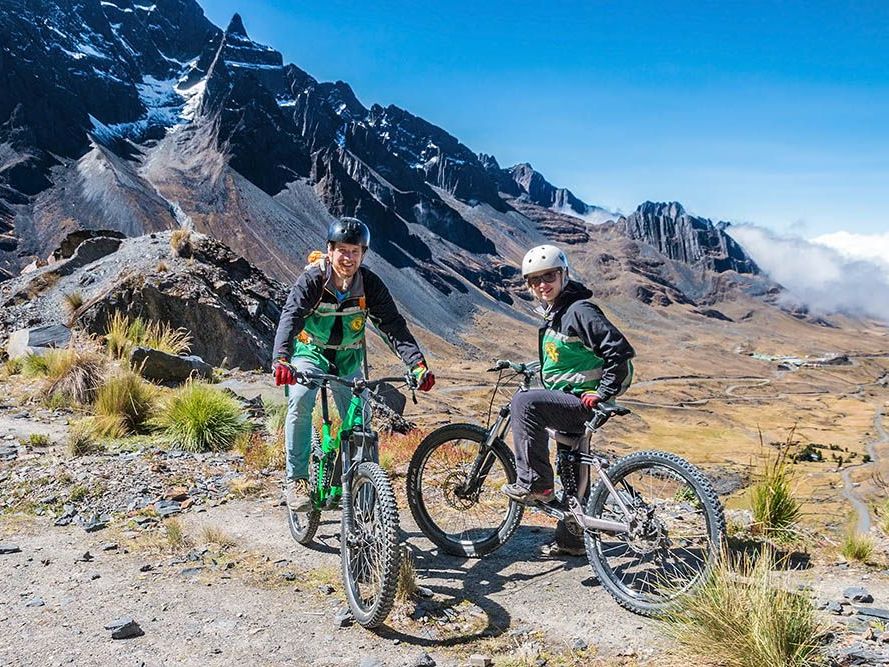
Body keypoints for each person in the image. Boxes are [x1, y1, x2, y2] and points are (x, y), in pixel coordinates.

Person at [272, 217, 435, 511]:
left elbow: (393, 327)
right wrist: (282, 358)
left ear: (363, 254)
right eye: (342, 250)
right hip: (312, 353)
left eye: (355, 251)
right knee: (299, 400)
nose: (348, 258)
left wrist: (416, 364)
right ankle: (296, 480)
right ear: (330, 250)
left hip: (348, 360)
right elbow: (291, 315)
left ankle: (363, 485)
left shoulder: (369, 284)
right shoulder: (313, 280)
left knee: (361, 421)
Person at [501, 244, 635, 556]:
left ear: (564, 275)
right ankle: (572, 541)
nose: (541, 285)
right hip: (572, 400)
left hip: (582, 404)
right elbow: (566, 360)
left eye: (548, 276)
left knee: (524, 403)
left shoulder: (578, 311)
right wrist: (533, 369)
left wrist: (603, 392)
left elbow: (619, 350)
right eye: (534, 281)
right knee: (572, 470)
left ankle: (535, 484)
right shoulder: (558, 314)